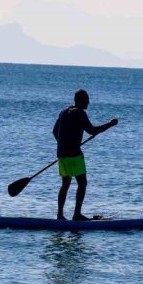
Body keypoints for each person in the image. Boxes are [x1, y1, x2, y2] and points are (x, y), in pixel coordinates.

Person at [53, 89, 117, 220]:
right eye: (85, 100)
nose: (88, 102)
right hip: (74, 155)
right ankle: (77, 214)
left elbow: (55, 131)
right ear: (78, 100)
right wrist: (110, 124)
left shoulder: (63, 112)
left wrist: (64, 144)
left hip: (61, 154)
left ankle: (60, 215)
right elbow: (92, 130)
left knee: (65, 184)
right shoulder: (80, 114)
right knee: (82, 183)